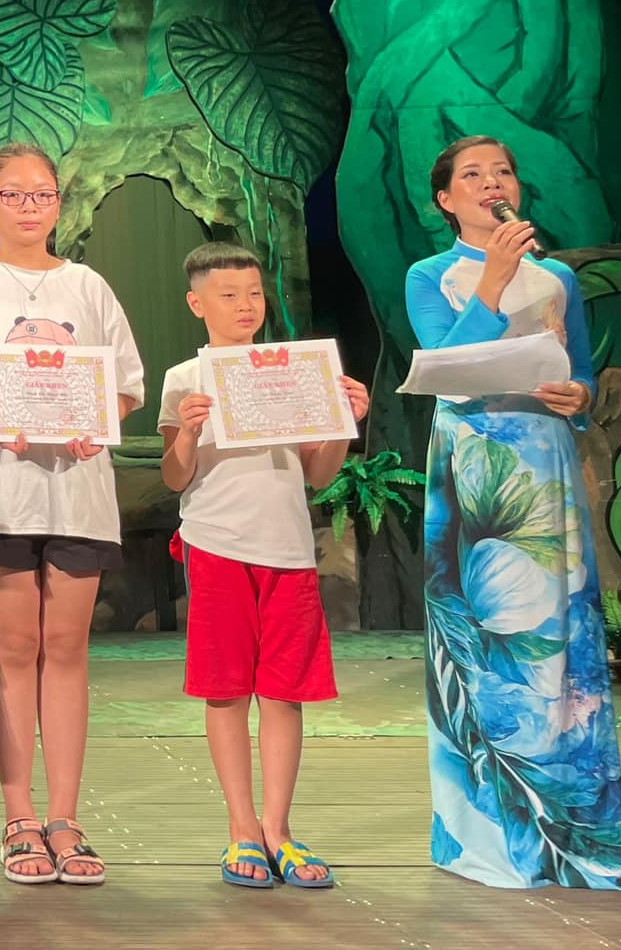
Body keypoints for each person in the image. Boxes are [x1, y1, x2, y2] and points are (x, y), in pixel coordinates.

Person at [0, 141, 143, 886]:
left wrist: (94, 420)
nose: (29, 207)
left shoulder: (88, 286)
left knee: (66, 649)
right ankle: (18, 817)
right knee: (13, 648)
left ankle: (65, 818)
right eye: (13, 194)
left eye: (42, 194)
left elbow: (124, 386)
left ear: (58, 205)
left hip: (76, 491)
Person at [405, 136, 621, 890]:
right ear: (446, 200)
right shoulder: (429, 275)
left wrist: (579, 396)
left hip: (545, 458)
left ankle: (574, 837)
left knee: (560, 632)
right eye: (472, 175)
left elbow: (582, 371)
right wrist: (495, 277)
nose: (492, 182)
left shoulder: (558, 276)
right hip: (474, 464)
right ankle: (491, 836)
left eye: (502, 171)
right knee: (489, 633)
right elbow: (447, 370)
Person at [158, 243, 369, 890]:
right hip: (217, 543)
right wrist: (187, 434)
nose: (245, 306)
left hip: (287, 549)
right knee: (226, 689)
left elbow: (318, 474)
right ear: (196, 304)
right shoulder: (184, 378)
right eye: (228, 295)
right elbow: (175, 476)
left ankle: (278, 829)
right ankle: (241, 828)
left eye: (253, 292)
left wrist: (344, 422)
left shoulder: (295, 372)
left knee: (284, 690)